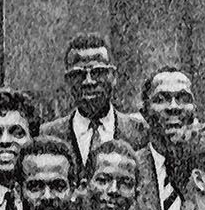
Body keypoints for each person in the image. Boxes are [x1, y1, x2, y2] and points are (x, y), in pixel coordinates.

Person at [40, 34, 151, 169]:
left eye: (98, 72)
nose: (88, 82)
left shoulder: (139, 132)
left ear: (113, 76)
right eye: (78, 74)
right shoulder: (49, 134)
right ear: (68, 81)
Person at [129, 67, 199, 210]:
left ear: (194, 110)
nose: (174, 107)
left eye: (183, 98)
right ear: (145, 113)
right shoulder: (131, 170)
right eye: (162, 99)